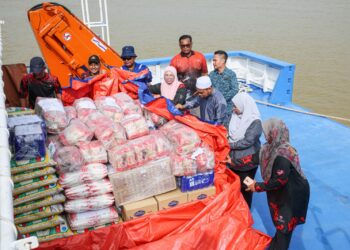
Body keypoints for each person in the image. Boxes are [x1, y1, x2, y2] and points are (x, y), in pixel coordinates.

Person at [245, 118, 310, 250]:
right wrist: (231, 161)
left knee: (284, 227)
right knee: (282, 227)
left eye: (267, 132)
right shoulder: (267, 148)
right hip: (281, 192)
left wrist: (256, 186)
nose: (265, 134)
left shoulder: (283, 154)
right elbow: (251, 160)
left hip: (293, 194)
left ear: (274, 132)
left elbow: (279, 181)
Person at [228, 92, 262, 208]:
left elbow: (248, 141)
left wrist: (230, 145)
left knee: (246, 186)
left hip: (248, 161)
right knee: (235, 184)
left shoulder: (255, 122)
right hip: (234, 160)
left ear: (243, 105)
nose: (233, 109)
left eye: (235, 106)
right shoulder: (235, 117)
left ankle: (246, 210)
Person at [209, 50, 239, 116]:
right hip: (213, 108)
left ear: (223, 61)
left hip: (226, 109)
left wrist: (222, 99)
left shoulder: (231, 74)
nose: (213, 63)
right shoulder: (211, 74)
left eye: (215, 60)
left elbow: (235, 89)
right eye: (213, 61)